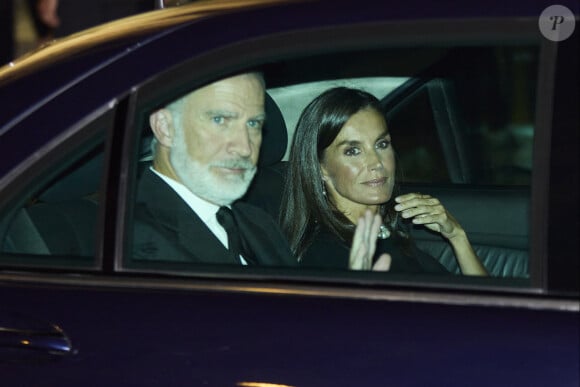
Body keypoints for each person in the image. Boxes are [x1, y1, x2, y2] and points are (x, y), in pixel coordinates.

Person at [280, 87, 488, 275]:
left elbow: (485, 305)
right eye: (353, 151)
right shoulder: (327, 257)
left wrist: (457, 237)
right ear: (320, 167)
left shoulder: (389, 232)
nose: (376, 162)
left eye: (381, 144)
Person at [132, 72, 296, 267]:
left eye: (253, 124)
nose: (245, 148)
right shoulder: (128, 238)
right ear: (165, 127)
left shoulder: (259, 222)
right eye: (219, 120)